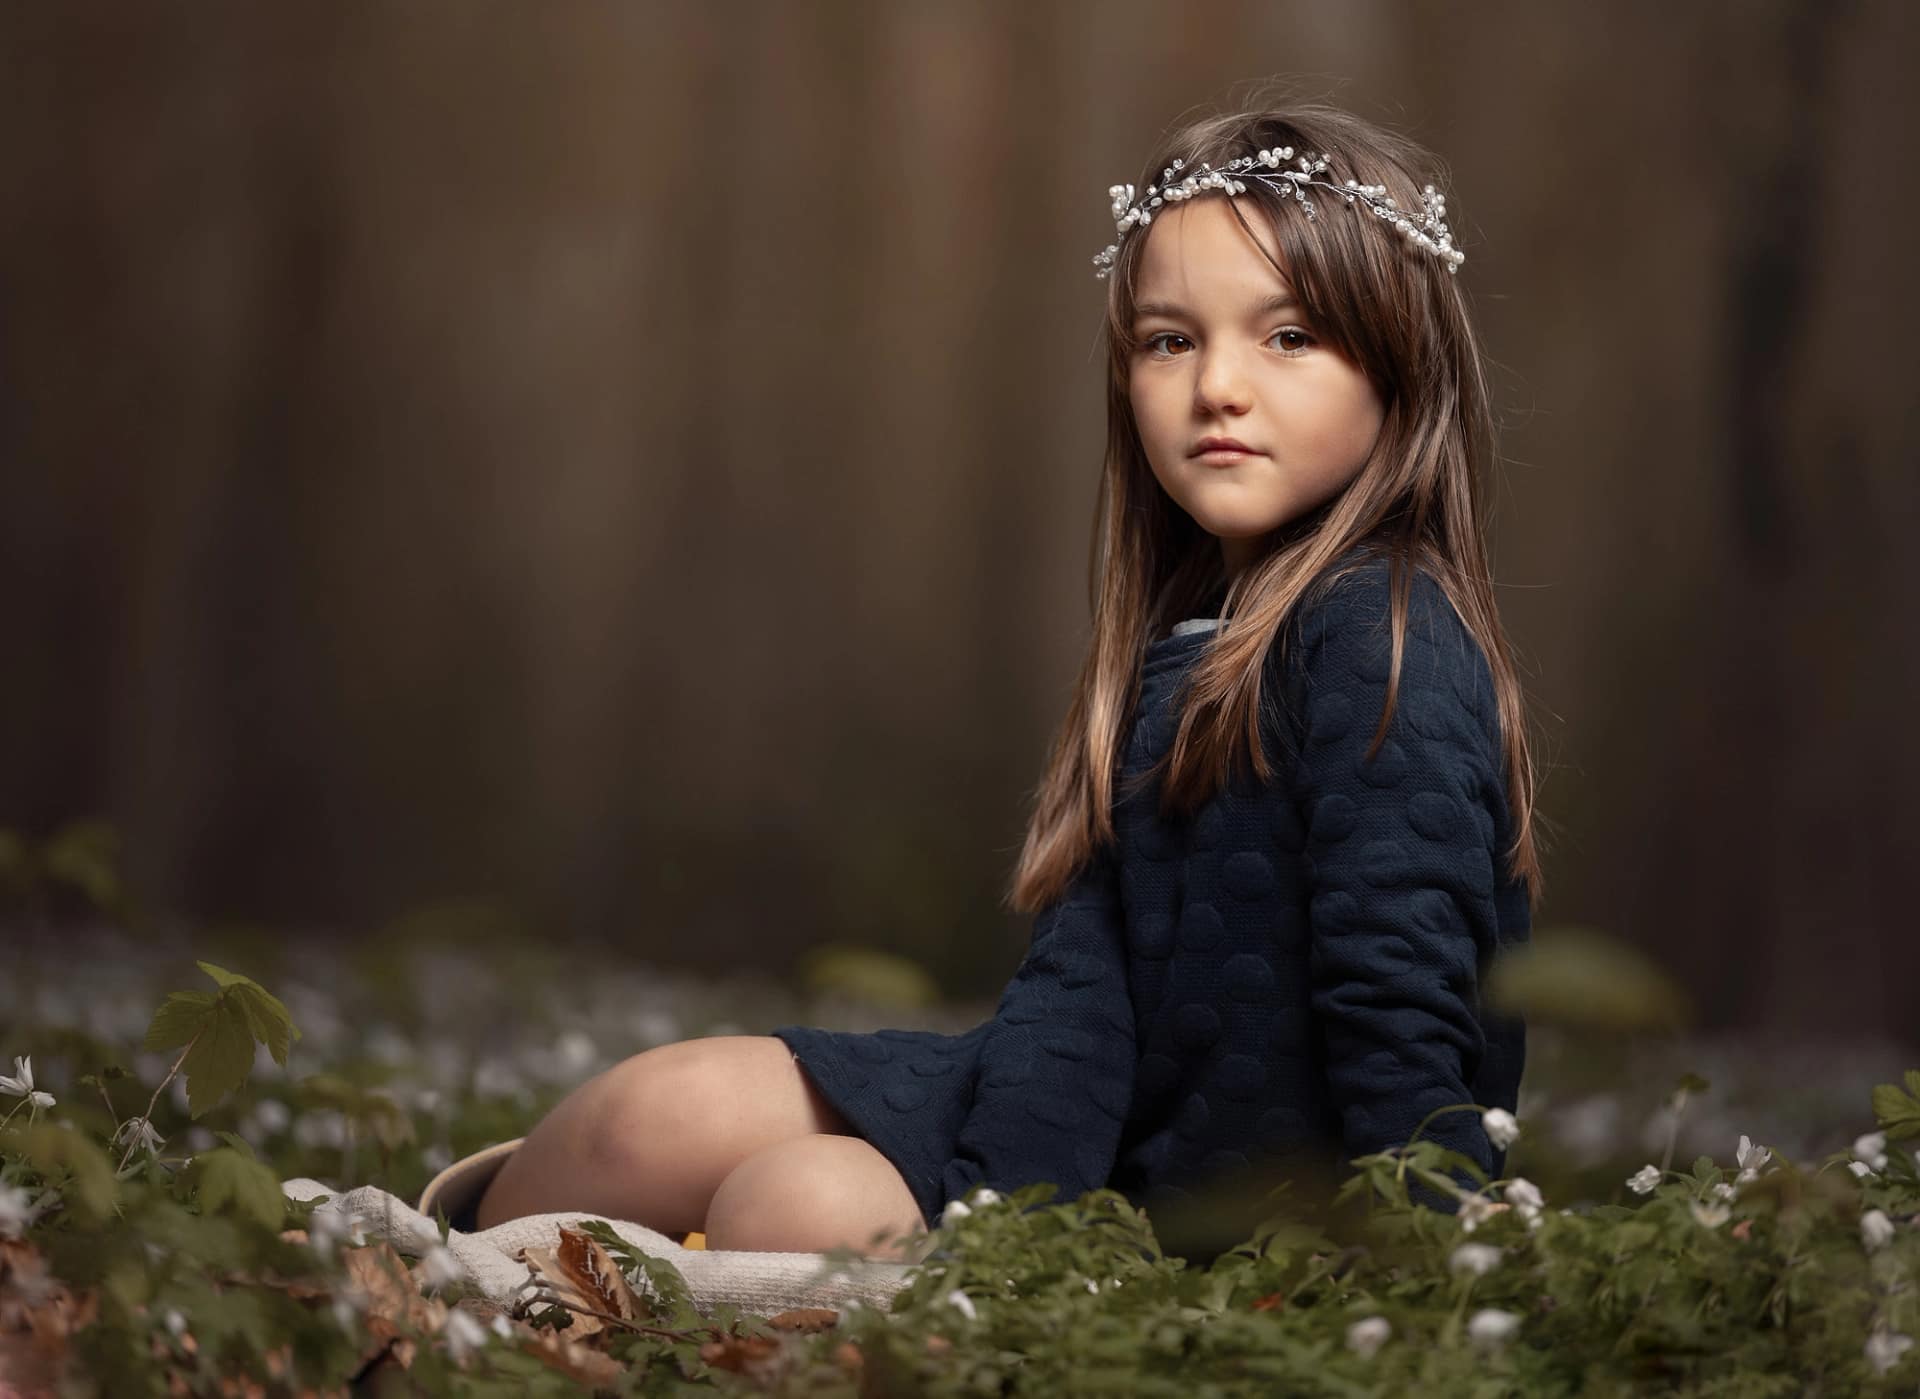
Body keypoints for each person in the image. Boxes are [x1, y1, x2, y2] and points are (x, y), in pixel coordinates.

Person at [468, 94, 1540, 1259]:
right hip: (1073, 1121)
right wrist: (1003, 1189)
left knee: (792, 1208)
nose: (1216, 387)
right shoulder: (1180, 647)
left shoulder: (1390, 641)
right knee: (654, 1109)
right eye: (1169, 339)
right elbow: (1085, 984)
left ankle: (616, 1291)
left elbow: (1401, 1004)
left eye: (1288, 337)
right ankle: (437, 1273)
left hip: (1227, 1207)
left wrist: (1438, 1264)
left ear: (1399, 368)